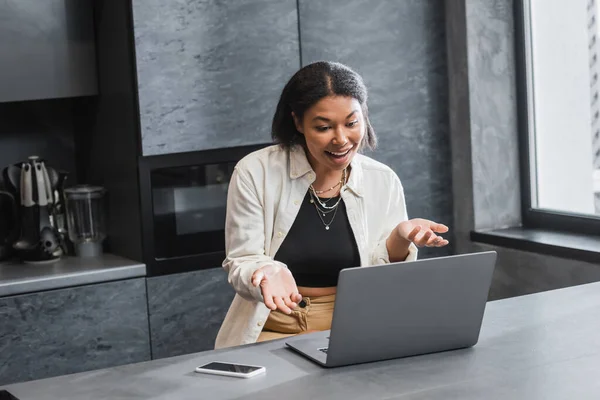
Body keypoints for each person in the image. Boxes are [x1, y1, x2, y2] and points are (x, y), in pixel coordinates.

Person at [214, 61, 449, 349]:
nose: (341, 139)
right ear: (298, 123)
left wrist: (400, 236)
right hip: (274, 324)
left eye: (352, 123)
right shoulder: (254, 172)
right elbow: (241, 260)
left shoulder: (382, 180)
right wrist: (264, 272)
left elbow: (381, 277)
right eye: (324, 127)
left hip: (353, 323)